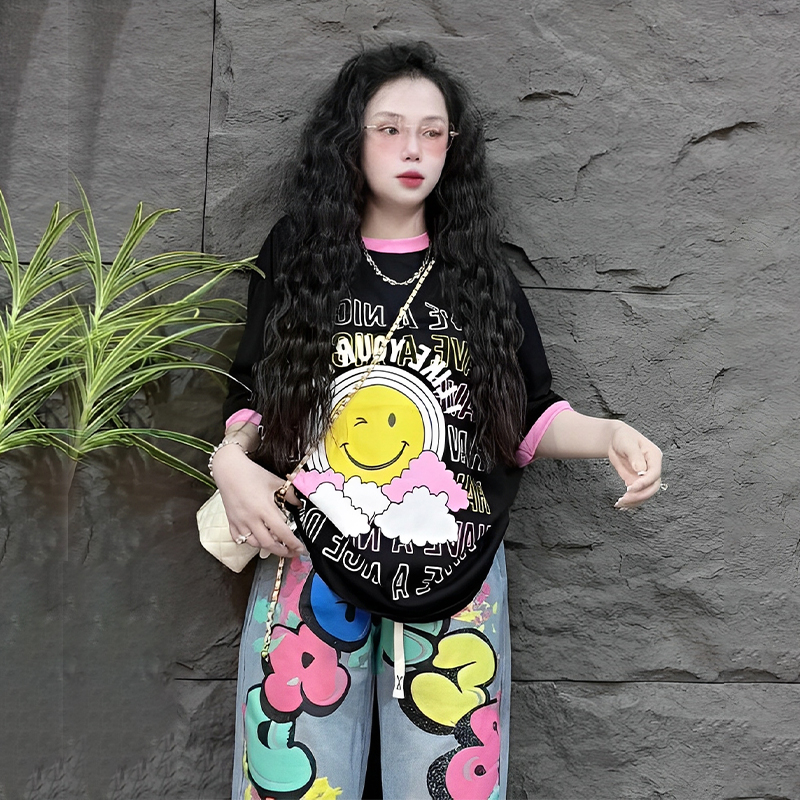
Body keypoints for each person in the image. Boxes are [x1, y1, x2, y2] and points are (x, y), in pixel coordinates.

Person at [211, 41, 663, 800]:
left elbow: (526, 417)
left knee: (449, 783)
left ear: (454, 146)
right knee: (291, 781)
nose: (413, 149)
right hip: (307, 557)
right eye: (389, 128)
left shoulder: (478, 272)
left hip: (454, 568)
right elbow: (253, 391)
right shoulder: (298, 254)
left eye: (432, 131)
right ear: (351, 138)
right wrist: (230, 462)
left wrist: (608, 435)